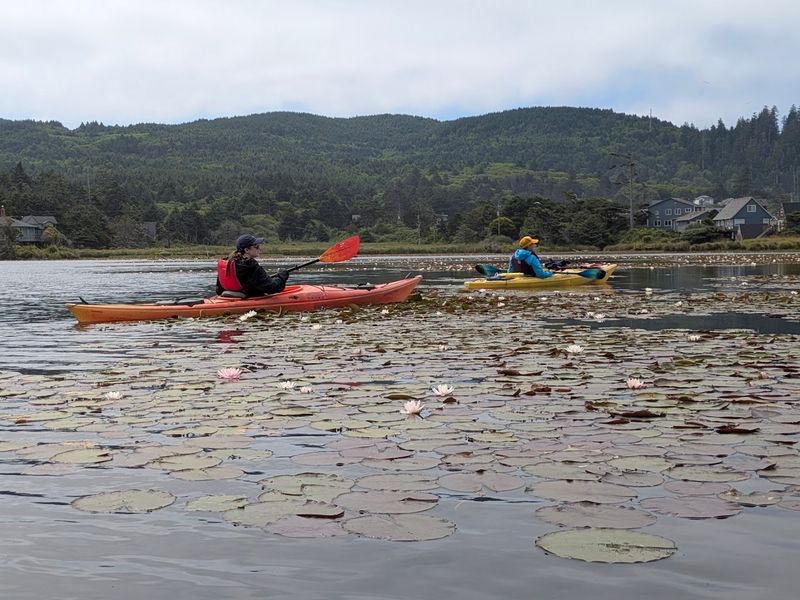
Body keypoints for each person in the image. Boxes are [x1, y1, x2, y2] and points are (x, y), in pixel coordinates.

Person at [216, 234, 290, 296]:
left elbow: (219, 290)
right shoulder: (251, 266)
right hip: (246, 298)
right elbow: (273, 288)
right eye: (256, 247)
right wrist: (282, 276)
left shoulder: (229, 263)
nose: (259, 249)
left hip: (230, 296)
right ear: (246, 250)